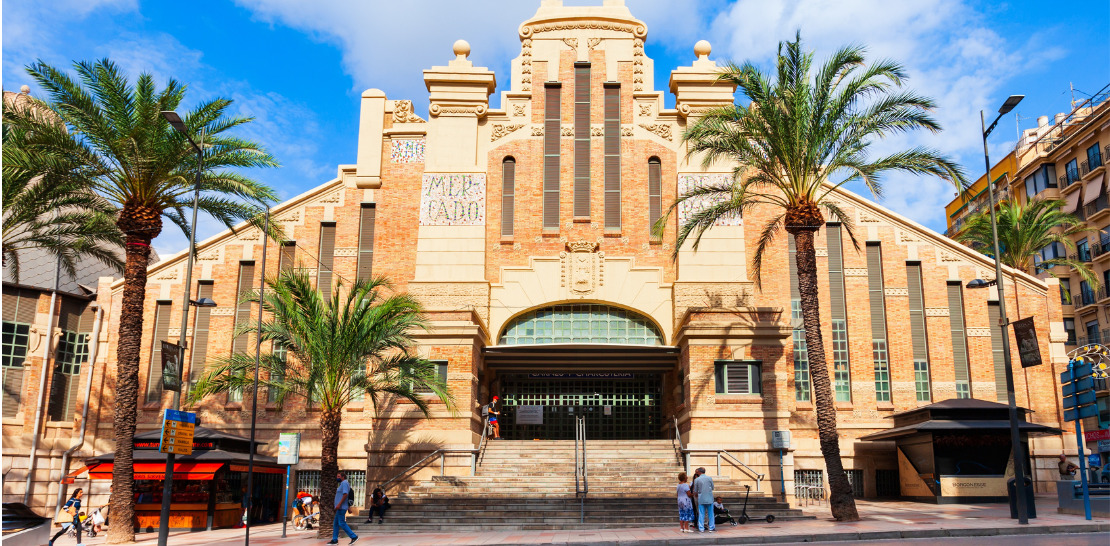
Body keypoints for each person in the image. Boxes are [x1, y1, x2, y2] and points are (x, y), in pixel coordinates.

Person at [328, 472, 358, 545]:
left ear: (343, 477)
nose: (337, 478)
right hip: (340, 507)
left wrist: (339, 504)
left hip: (341, 507)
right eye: (337, 476)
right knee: (335, 524)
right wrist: (348, 507)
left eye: (338, 476)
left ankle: (353, 536)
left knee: (341, 523)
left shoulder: (344, 483)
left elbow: (345, 494)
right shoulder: (342, 484)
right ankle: (334, 540)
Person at [692, 467, 715, 533]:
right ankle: (711, 527)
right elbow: (712, 487)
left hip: (701, 498)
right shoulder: (709, 478)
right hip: (709, 498)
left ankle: (701, 528)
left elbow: (695, 490)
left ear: (699, 472)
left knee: (701, 514)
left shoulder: (697, 480)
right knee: (711, 514)